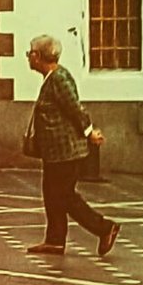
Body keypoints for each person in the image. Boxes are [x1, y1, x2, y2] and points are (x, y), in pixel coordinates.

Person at [25, 33, 118, 256]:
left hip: (66, 152)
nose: (28, 57)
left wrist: (89, 133)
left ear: (38, 56)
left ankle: (105, 228)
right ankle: (55, 240)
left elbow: (75, 109)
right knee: (51, 193)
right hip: (55, 152)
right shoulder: (52, 78)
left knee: (64, 196)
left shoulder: (59, 79)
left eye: (29, 53)